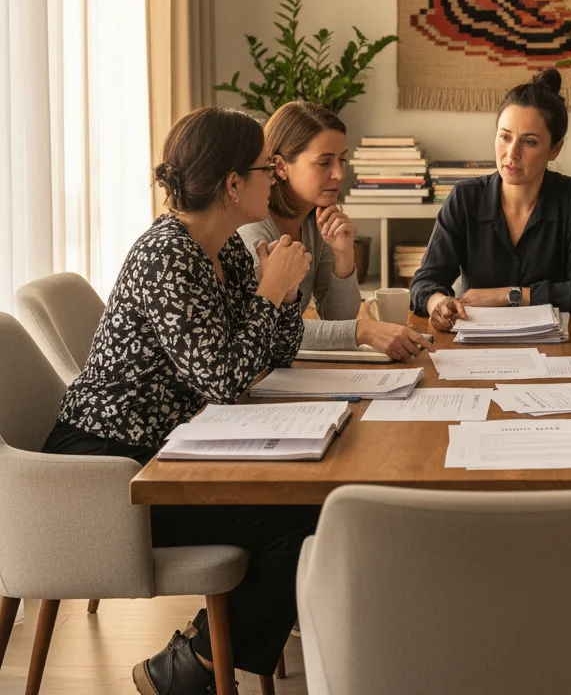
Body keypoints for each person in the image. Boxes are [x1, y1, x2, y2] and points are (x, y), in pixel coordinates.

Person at [42, 107, 321, 695]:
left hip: (171, 451)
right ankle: (191, 665)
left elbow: (275, 354)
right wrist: (270, 298)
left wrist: (285, 294)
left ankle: (199, 661)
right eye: (266, 167)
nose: (276, 176)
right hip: (108, 470)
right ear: (232, 185)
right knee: (301, 524)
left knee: (316, 508)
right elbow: (222, 380)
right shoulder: (167, 254)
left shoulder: (226, 251)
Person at [411, 69, 571, 330]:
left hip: (558, 346)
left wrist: (509, 295)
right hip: (476, 343)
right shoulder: (465, 197)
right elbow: (424, 282)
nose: (511, 153)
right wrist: (438, 303)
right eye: (505, 137)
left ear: (554, 149)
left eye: (529, 142)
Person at [238, 101, 434, 361]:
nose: (339, 174)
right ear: (281, 166)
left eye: (342, 160)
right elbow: (271, 332)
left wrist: (343, 256)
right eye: (324, 163)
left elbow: (338, 317)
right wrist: (362, 330)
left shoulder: (316, 220)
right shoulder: (254, 229)